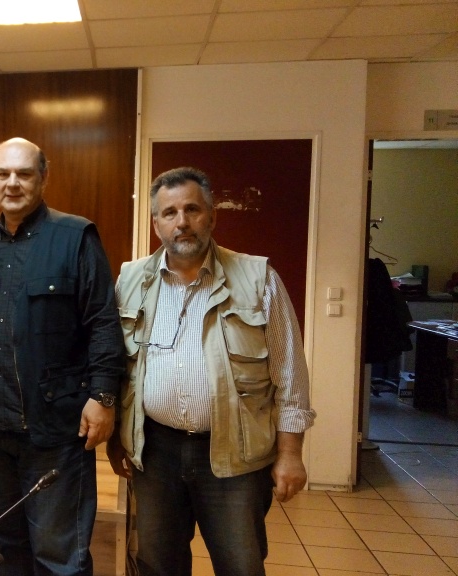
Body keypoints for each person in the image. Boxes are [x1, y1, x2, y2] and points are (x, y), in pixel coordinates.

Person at [111, 167, 316, 576]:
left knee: (240, 566)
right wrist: (119, 438)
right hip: (155, 453)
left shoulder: (258, 279)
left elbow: (289, 374)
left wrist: (291, 454)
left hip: (234, 456)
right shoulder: (130, 281)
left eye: (192, 209)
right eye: (169, 213)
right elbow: (118, 367)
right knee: (157, 565)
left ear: (212, 216)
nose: (181, 222)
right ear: (155, 223)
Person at [0, 137, 124, 576]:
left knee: (59, 556)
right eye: (3, 173)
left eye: (24, 173)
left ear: (43, 177)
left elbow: (102, 322)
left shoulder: (76, 237)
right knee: (4, 552)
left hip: (55, 430)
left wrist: (103, 396)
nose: (12, 183)